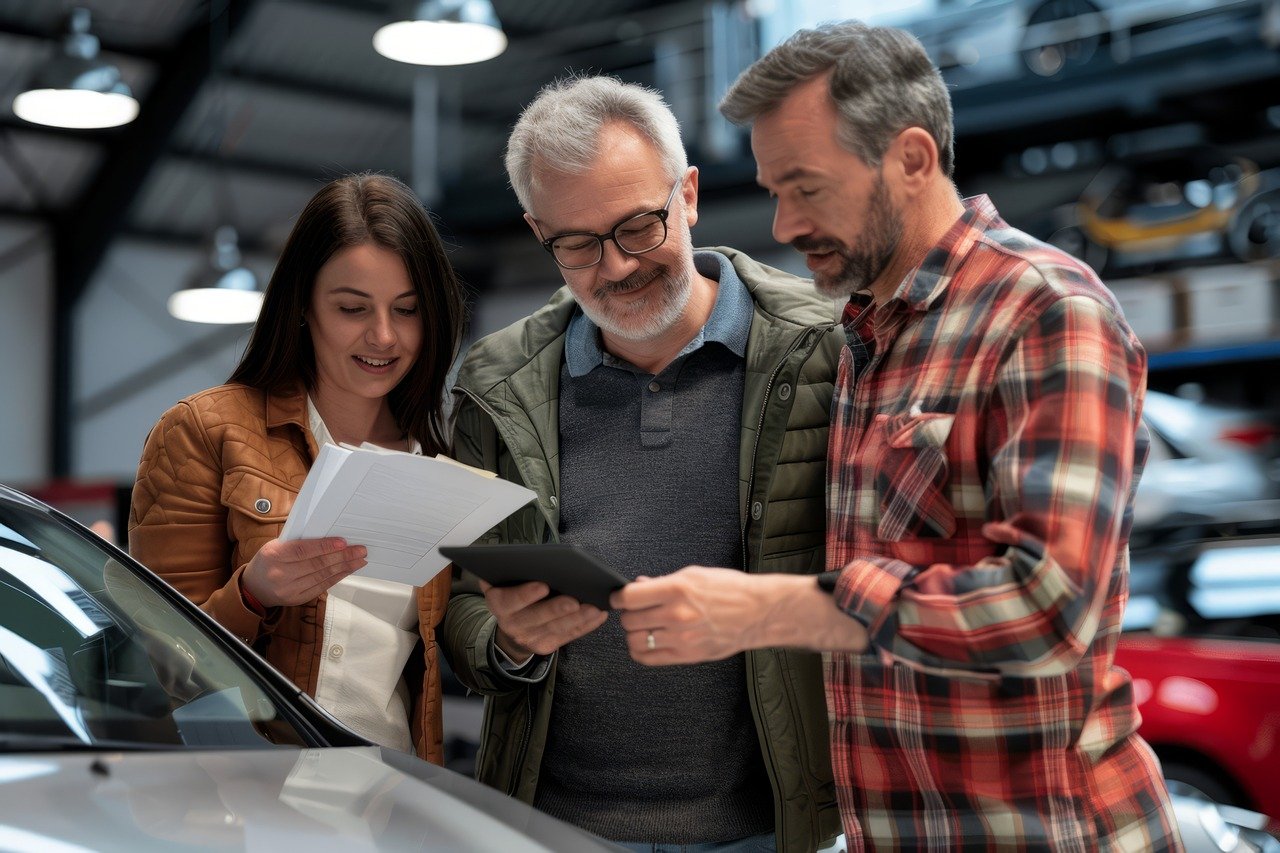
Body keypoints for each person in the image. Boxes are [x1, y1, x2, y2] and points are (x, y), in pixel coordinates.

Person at [612, 21, 1185, 852]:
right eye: (774, 190)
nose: (781, 223)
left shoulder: (1048, 312)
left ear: (912, 158)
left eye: (805, 187)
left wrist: (776, 608)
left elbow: (1047, 610)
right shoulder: (870, 336)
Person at [440, 75, 844, 852]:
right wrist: (510, 639)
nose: (617, 267)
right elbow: (462, 604)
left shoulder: (822, 351)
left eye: (636, 226)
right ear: (537, 232)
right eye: (578, 245)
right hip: (552, 823)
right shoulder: (497, 384)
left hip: (766, 828)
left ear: (687, 194)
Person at [129, 173, 466, 764]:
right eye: (352, 308)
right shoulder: (207, 432)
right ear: (303, 306)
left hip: (395, 795)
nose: (384, 336)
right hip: (249, 795)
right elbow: (152, 661)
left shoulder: (441, 458)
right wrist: (254, 594)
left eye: (407, 310)